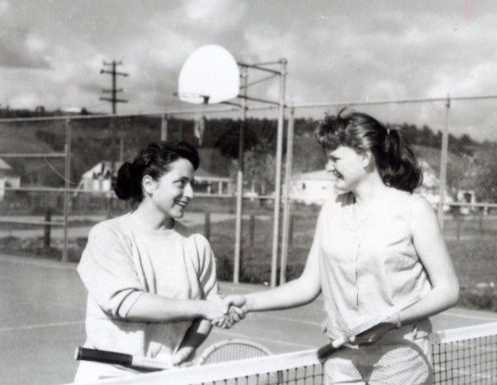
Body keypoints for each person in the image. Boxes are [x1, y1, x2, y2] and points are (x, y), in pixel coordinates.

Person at [227, 110, 460, 385]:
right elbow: (308, 284)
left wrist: (391, 321)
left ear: (365, 156)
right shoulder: (331, 209)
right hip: (341, 358)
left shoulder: (413, 209)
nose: (328, 167)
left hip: (401, 357)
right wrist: (249, 302)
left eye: (335, 158)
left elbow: (447, 290)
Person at [75, 141, 239, 382]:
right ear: (149, 184)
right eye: (181, 183)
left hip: (166, 376)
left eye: (192, 184)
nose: (190, 194)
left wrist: (188, 349)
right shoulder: (108, 234)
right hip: (108, 375)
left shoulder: (197, 244)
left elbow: (208, 312)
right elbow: (128, 303)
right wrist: (205, 307)